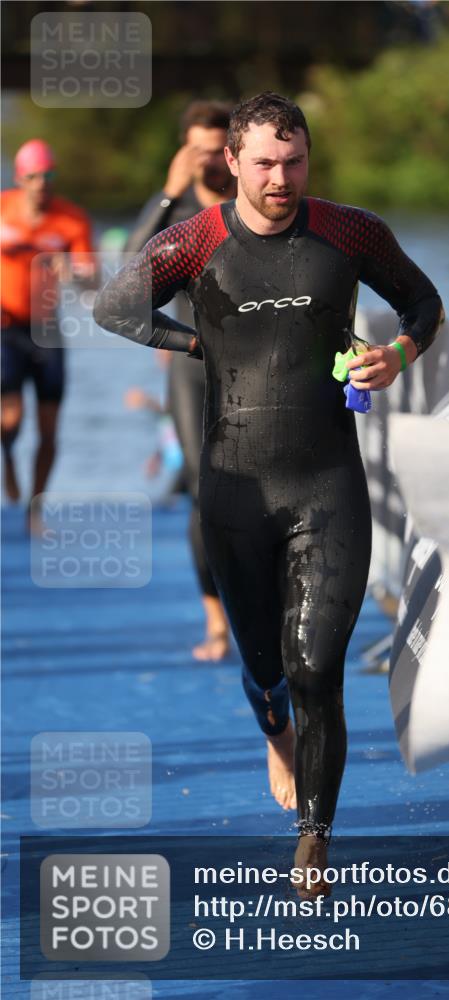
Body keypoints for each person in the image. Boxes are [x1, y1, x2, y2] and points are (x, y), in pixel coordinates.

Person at [94, 91, 444, 896]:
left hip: (327, 482)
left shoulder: (349, 232)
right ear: (231, 163)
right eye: (263, 163)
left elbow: (422, 302)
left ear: (307, 159)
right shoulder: (195, 242)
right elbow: (114, 306)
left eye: (293, 162)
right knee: (265, 668)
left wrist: (397, 352)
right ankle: (273, 727)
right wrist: (199, 346)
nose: (280, 178)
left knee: (315, 664)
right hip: (234, 487)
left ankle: (313, 835)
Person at [125, 100, 235, 662]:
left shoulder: (254, 203)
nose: (210, 161)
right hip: (193, 365)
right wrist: (167, 194)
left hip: (258, 365)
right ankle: (215, 617)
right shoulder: (180, 211)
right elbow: (124, 277)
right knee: (202, 488)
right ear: (184, 152)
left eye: (219, 150)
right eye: (199, 151)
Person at [1, 140, 94, 529]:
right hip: (5, 327)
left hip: (47, 330)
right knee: (11, 419)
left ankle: (36, 508)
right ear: (21, 178)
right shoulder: (2, 208)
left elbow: (92, 282)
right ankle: (7, 457)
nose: (42, 183)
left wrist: (71, 272)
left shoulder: (70, 220)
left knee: (49, 426)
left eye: (49, 176)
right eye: (35, 176)